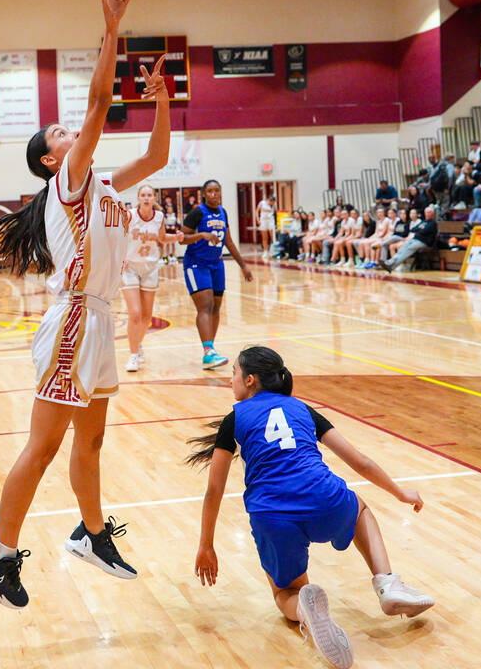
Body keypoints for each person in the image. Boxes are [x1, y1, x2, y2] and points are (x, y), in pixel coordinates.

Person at [0, 0, 169, 609]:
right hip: (72, 321)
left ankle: (90, 532)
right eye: (56, 134)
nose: (67, 132)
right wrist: (111, 31)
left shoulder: (105, 184)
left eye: (64, 129)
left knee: (91, 442)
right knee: (46, 444)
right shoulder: (70, 182)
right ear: (53, 161)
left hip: (99, 320)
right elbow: (98, 106)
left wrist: (162, 99)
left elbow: (158, 159)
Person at [188, 346, 433, 669]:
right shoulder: (302, 408)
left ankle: (306, 611)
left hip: (272, 514)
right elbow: (360, 462)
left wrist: (206, 544)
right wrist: (400, 492)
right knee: (360, 509)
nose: (230, 378)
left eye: (233, 372)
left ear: (249, 380)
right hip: (325, 498)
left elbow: (214, 490)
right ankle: (387, 583)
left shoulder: (235, 419)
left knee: (287, 592)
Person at [181, 179, 254, 369]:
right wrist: (201, 235)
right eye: (211, 191)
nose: (215, 194)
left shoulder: (223, 212)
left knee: (216, 307)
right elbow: (181, 238)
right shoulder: (197, 212)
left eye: (217, 191)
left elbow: (228, 241)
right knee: (205, 306)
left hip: (217, 264)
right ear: (204, 194)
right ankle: (208, 351)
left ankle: (210, 350)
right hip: (196, 264)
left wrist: (243, 265)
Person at [122, 185, 176, 372]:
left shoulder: (159, 217)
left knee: (146, 317)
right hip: (130, 268)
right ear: (138, 198)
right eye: (143, 195)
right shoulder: (129, 215)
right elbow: (116, 236)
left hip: (150, 268)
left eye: (149, 195)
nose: (146, 198)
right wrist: (119, 257)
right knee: (135, 313)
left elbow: (161, 238)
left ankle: (138, 342)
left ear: (154, 198)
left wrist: (176, 237)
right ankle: (133, 355)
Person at [380, 206, 438, 273]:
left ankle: (391, 265)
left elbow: (424, 231)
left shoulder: (433, 223)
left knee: (408, 250)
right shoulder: (424, 221)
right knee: (402, 249)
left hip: (424, 242)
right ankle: (390, 263)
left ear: (433, 213)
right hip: (415, 239)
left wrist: (419, 230)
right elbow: (413, 229)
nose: (427, 214)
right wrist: (419, 229)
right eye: (426, 212)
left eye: (429, 212)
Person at [162, 196, 181, 264]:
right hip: (167, 231)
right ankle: (167, 256)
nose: (169, 210)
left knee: (173, 243)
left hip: (173, 231)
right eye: (168, 209)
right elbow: (163, 224)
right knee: (167, 243)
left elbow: (179, 224)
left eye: (171, 208)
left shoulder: (175, 215)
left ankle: (173, 256)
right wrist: (166, 227)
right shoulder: (165, 216)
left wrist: (175, 227)